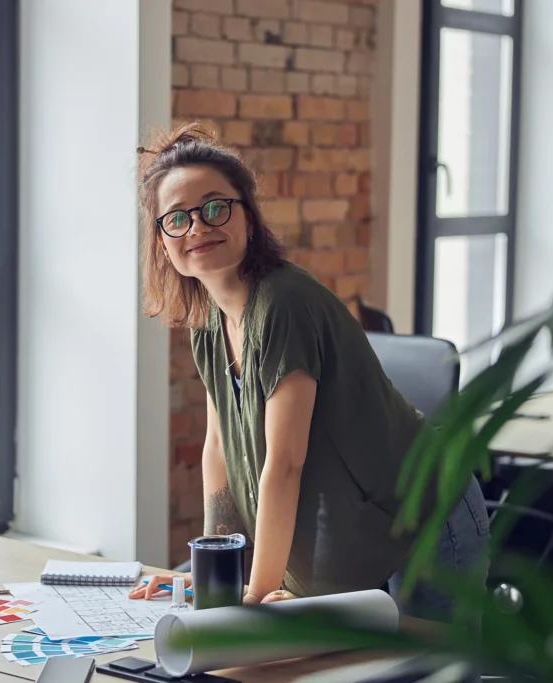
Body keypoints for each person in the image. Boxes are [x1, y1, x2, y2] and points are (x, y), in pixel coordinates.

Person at [127, 123, 490, 620]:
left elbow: (285, 462)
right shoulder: (208, 322)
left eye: (215, 207)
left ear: (248, 219)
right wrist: (217, 564)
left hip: (428, 514)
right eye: (177, 218)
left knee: (429, 669)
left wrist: (254, 594)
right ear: (162, 243)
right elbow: (216, 449)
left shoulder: (283, 303)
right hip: (367, 519)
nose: (197, 227)